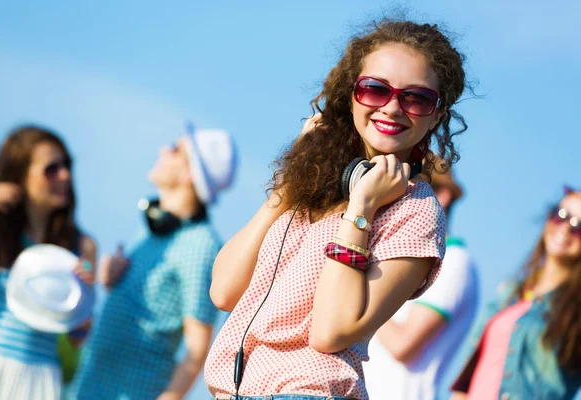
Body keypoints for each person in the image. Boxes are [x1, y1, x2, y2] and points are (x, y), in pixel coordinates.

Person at [204, 17, 468, 400]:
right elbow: (224, 292)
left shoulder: (418, 213)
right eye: (376, 90)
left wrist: (362, 207)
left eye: (416, 98)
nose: (393, 108)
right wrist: (290, 184)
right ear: (351, 95)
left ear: (436, 115)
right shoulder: (317, 183)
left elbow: (331, 330)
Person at [70, 127, 237, 400]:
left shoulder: (201, 244)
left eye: (174, 148)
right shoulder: (150, 230)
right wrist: (109, 283)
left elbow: (198, 348)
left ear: (190, 174)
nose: (162, 150)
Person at [0, 125, 97, 400]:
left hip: (39, 380)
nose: (65, 175)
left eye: (66, 165)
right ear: (20, 174)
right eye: (51, 168)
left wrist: (84, 299)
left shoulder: (83, 246)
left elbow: (76, 339)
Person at [451, 188, 581, 400]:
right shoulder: (510, 294)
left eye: (578, 227)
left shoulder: (575, 314)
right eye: (561, 215)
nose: (566, 228)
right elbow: (470, 374)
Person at [363, 166, 479, 400]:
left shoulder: (454, 260)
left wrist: (359, 279)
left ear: (442, 195)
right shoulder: (389, 257)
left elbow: (403, 345)